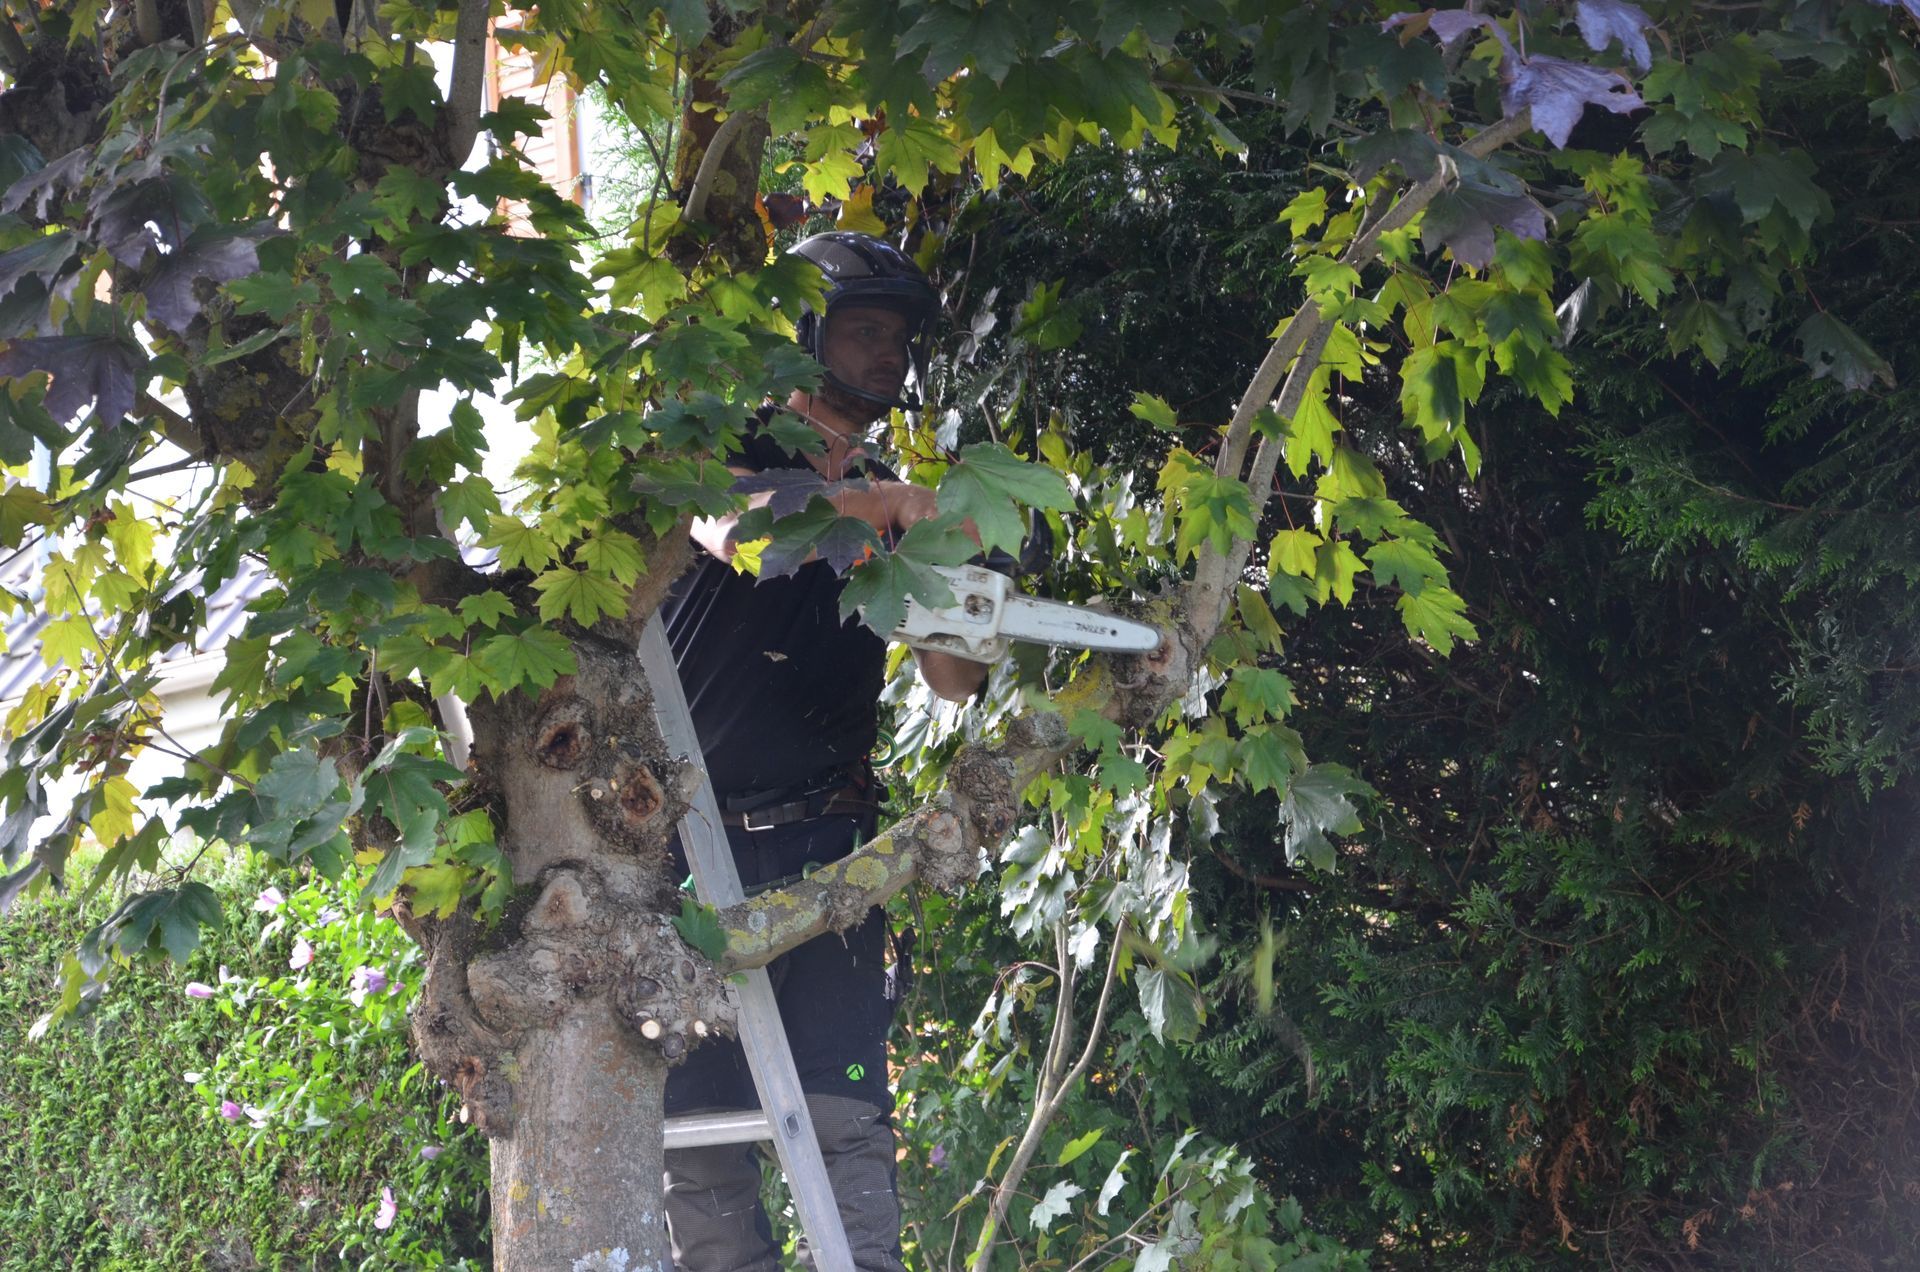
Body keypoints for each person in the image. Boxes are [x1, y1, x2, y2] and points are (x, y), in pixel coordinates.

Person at [658, 231, 986, 1271]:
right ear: (804, 336)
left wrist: (955, 582)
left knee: (847, 1124)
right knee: (703, 1153)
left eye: (896, 338)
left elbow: (954, 681)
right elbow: (744, 536)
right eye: (865, 331)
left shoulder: (894, 492)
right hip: (689, 857)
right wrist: (881, 508)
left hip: (833, 849)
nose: (886, 356)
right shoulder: (728, 449)